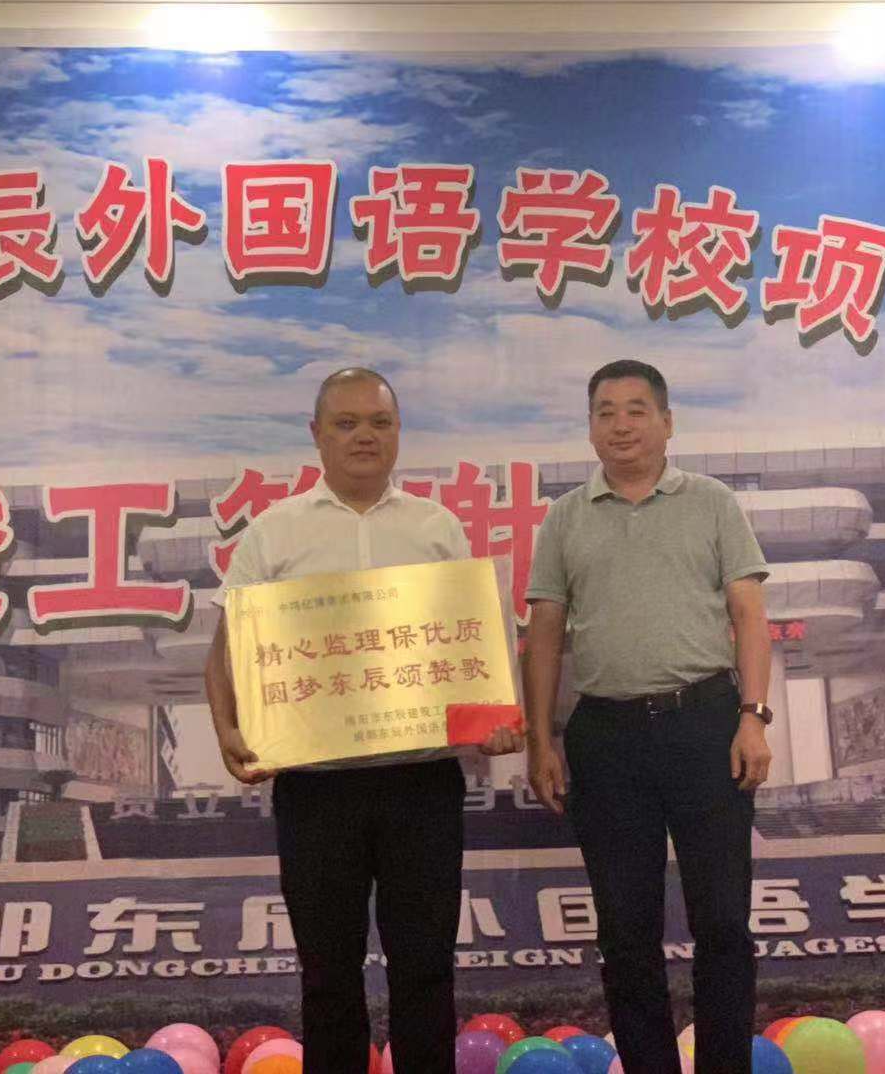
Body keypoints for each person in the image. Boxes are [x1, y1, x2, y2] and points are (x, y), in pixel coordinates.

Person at [203, 367, 521, 1074]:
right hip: (317, 791)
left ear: (398, 432)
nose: (363, 436)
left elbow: (474, 649)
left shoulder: (436, 528)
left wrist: (498, 720)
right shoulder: (275, 533)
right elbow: (224, 653)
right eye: (345, 423)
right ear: (316, 435)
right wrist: (227, 730)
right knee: (327, 975)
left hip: (422, 786)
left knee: (426, 969)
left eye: (378, 422)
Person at [523, 359, 773, 1074]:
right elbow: (545, 635)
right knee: (625, 931)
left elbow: (749, 615)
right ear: (590, 427)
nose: (621, 425)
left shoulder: (712, 502)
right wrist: (541, 740)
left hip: (707, 725)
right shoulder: (565, 518)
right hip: (605, 737)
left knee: (722, 921)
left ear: (667, 422)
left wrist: (753, 717)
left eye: (637, 409)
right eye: (605, 411)